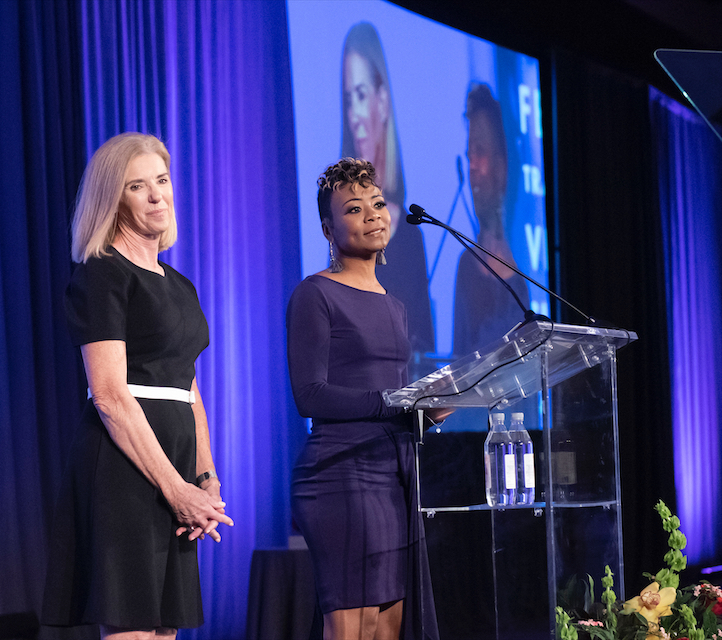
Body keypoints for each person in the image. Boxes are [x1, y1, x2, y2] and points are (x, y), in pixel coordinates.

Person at [41, 132, 233, 639]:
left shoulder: (180, 282)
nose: (157, 195)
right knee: (133, 627)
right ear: (113, 199)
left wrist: (205, 476)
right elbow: (108, 395)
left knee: (166, 629)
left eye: (163, 181)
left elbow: (188, 388)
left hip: (176, 472)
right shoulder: (103, 274)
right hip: (124, 471)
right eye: (137, 186)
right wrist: (175, 488)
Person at [288, 158, 443, 640]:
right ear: (328, 229)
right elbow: (308, 395)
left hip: (392, 476)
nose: (374, 214)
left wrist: (430, 410)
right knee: (354, 626)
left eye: (377, 203)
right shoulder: (315, 294)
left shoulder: (394, 304)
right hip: (339, 474)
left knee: (387, 627)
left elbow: (393, 401)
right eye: (354, 209)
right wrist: (395, 402)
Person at [341, 22, 435, 357]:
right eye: (349, 100)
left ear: (383, 100)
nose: (355, 114)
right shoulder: (343, 231)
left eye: (362, 96)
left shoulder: (410, 232)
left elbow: (427, 347)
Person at [452, 83, 530, 358]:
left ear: (502, 164)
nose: (472, 164)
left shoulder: (525, 274)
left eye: (480, 151)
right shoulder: (466, 268)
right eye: (469, 152)